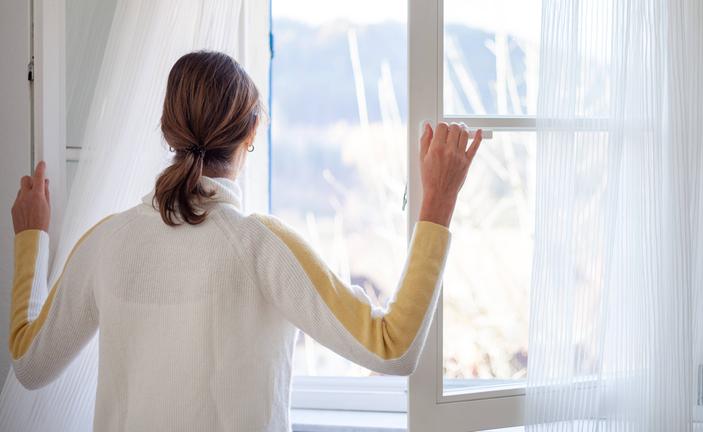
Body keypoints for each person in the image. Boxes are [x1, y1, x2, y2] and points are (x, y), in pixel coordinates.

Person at [9, 51, 482, 431]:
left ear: (167, 130)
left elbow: (30, 364)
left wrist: (31, 239)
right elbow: (391, 346)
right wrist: (437, 202)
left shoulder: (106, 242)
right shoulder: (260, 246)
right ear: (252, 132)